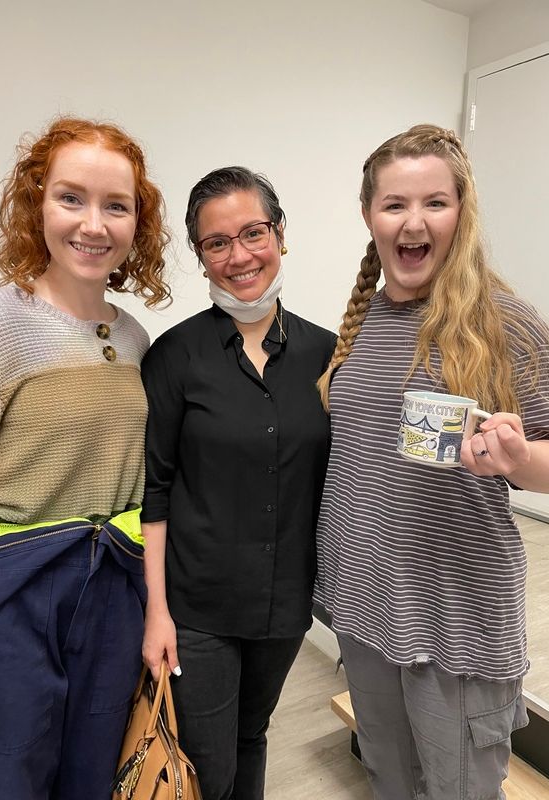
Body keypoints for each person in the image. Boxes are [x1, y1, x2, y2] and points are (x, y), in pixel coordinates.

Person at [315, 123, 549, 800]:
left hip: (455, 621)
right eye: (394, 205)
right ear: (369, 216)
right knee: (388, 779)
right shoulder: (362, 325)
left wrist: (517, 459)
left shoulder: (503, 322)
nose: (413, 222)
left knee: (458, 791)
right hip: (367, 610)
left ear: (461, 211)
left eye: (435, 203)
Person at [0, 116, 169, 800]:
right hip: (9, 599)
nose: (93, 224)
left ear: (139, 222)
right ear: (36, 204)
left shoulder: (135, 340)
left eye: (117, 205)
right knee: (7, 779)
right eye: (71, 198)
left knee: (91, 777)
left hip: (112, 597)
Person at [140, 166, 335, 800]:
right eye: (216, 243)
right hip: (198, 608)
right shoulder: (174, 357)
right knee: (206, 762)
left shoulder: (329, 355)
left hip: (284, 602)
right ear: (200, 257)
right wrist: (157, 612)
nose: (239, 256)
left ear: (280, 234)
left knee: (253, 734)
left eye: (252, 233)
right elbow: (157, 492)